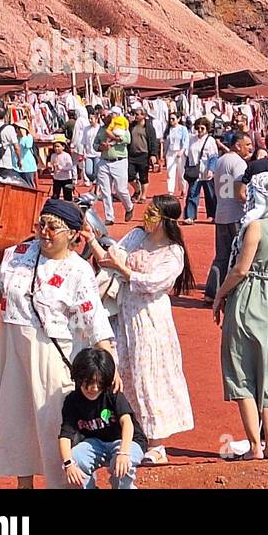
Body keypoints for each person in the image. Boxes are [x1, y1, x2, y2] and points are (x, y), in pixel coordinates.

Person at [0, 199, 116, 488]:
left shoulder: (78, 270)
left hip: (53, 357)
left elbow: (95, 320)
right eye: (42, 224)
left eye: (54, 227)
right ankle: (24, 484)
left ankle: (65, 483)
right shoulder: (16, 254)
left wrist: (110, 362)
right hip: (13, 352)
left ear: (73, 235)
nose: (45, 232)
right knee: (17, 418)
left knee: (55, 422)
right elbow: (0, 288)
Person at [86, 195, 195, 466]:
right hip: (123, 315)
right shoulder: (136, 236)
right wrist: (90, 240)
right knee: (122, 372)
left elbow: (153, 283)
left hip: (149, 320)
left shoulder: (173, 252)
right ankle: (128, 433)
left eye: (152, 214)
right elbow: (109, 259)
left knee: (150, 375)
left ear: (165, 220)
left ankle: (157, 443)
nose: (146, 217)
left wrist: (122, 269)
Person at [213, 172, 268, 460]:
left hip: (248, 298)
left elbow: (240, 269)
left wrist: (219, 296)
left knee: (242, 371)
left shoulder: (255, 227)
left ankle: (255, 446)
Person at [59, 348, 148, 489]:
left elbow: (127, 423)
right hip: (95, 443)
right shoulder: (72, 400)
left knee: (123, 464)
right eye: (88, 382)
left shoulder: (112, 393)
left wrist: (123, 453)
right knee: (76, 458)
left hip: (125, 441)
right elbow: (65, 435)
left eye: (99, 383)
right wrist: (68, 463)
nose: (94, 388)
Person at [205, 132, 252, 300]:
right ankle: (234, 292)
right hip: (236, 214)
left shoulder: (221, 160)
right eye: (247, 145)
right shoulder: (239, 163)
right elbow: (241, 192)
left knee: (221, 256)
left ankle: (212, 292)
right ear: (237, 145)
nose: (250, 148)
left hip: (221, 212)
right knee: (240, 254)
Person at [95, 109, 135, 226]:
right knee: (105, 191)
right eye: (101, 116)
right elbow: (95, 144)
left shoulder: (121, 125)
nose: (103, 118)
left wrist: (114, 141)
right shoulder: (101, 129)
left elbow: (127, 139)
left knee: (121, 189)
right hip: (104, 161)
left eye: (106, 115)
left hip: (119, 160)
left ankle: (129, 207)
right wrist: (101, 147)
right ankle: (109, 217)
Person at [183, 119, 219, 225]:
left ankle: (213, 215)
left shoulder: (210, 140)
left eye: (202, 128)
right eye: (197, 128)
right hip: (195, 172)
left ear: (207, 129)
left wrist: (211, 170)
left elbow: (213, 157)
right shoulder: (192, 139)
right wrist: (187, 168)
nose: (199, 130)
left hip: (207, 171)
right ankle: (190, 216)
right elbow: (188, 156)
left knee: (211, 195)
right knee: (192, 193)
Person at [126, 110, 157, 203]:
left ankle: (143, 196)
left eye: (137, 114)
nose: (135, 116)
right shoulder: (131, 126)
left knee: (143, 177)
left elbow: (153, 142)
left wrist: (153, 154)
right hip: (132, 154)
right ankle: (137, 190)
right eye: (134, 114)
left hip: (144, 155)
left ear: (143, 116)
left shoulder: (149, 128)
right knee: (129, 175)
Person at [162, 114, 190, 197]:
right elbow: (166, 142)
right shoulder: (168, 130)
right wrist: (164, 154)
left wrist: (182, 151)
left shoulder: (183, 129)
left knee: (181, 173)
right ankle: (170, 192)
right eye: (170, 119)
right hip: (170, 153)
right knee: (170, 173)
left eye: (173, 119)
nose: (171, 121)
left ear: (179, 119)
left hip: (180, 153)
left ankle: (183, 189)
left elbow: (186, 141)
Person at [16, 124, 39, 189]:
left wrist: (24, 135)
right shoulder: (16, 139)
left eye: (20, 128)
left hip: (28, 167)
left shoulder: (28, 138)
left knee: (29, 185)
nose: (18, 130)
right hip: (18, 167)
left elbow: (28, 145)